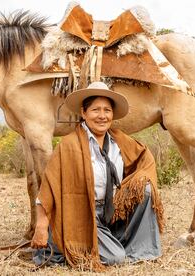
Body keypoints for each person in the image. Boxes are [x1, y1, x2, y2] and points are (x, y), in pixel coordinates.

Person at [31, 81, 164, 270]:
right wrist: (41, 226)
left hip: (111, 212)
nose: (102, 116)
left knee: (146, 189)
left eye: (107, 110)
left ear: (112, 114)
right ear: (84, 113)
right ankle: (62, 245)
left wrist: (138, 180)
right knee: (114, 258)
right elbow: (48, 188)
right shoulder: (68, 145)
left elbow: (145, 159)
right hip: (82, 215)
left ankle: (127, 247)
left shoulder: (119, 140)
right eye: (95, 110)